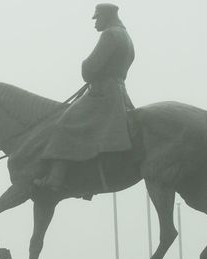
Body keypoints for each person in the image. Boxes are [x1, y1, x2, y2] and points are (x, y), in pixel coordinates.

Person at [33, 3, 135, 194]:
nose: (95, 22)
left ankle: (56, 176)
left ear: (106, 16)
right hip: (118, 92)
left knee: (64, 124)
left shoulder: (110, 34)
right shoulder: (125, 36)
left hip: (102, 95)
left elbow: (89, 69)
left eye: (97, 18)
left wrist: (85, 66)